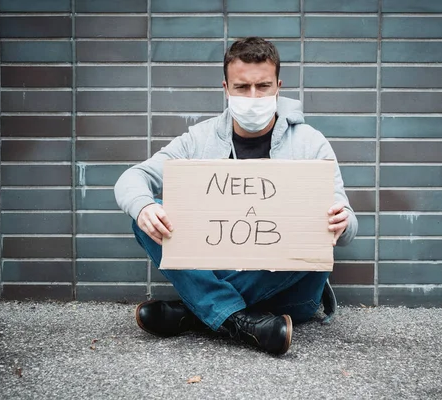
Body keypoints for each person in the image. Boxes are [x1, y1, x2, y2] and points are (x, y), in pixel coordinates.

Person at [114, 37, 358, 355]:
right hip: (228, 267)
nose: (253, 96)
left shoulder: (310, 143)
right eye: (242, 87)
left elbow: (348, 226)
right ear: (226, 88)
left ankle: (198, 312)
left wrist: (341, 222)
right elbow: (131, 179)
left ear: (278, 86)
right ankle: (241, 320)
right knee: (145, 217)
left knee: (313, 229)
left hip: (292, 292)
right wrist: (144, 206)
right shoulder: (199, 139)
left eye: (263, 86)